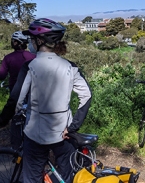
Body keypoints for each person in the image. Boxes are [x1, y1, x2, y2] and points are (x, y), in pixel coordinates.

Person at [15, 18, 92, 183]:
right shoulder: (70, 66)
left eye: (32, 39)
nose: (30, 43)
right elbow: (87, 95)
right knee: (68, 174)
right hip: (63, 132)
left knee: (32, 177)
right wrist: (73, 126)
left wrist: (8, 117)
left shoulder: (30, 66)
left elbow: (17, 100)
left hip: (35, 133)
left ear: (39, 40)